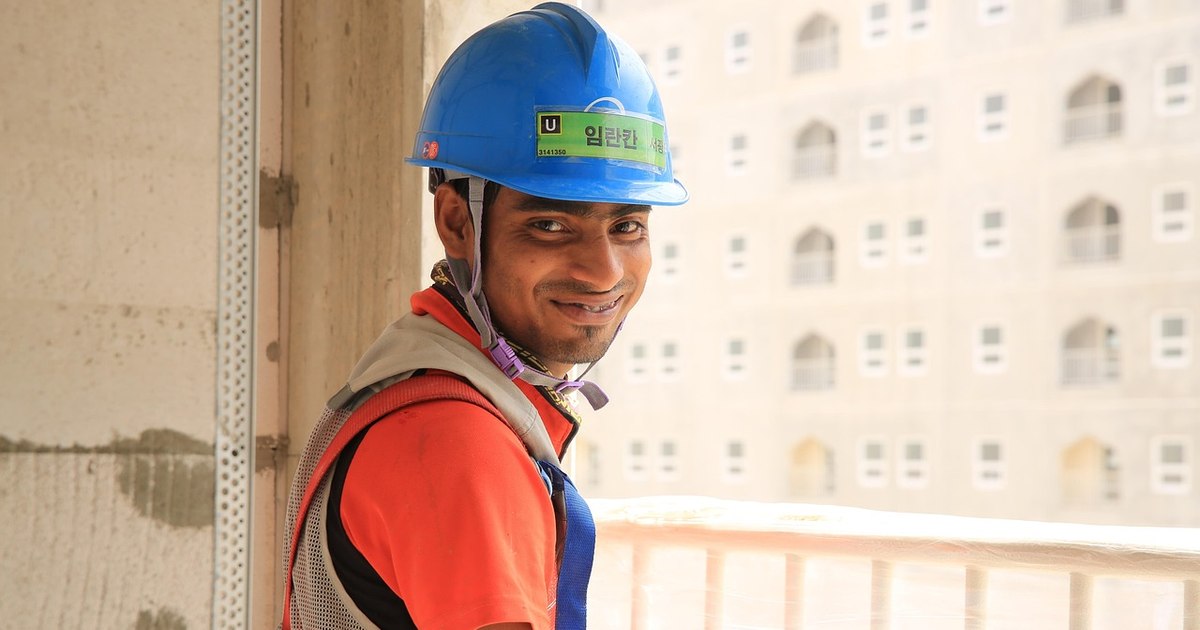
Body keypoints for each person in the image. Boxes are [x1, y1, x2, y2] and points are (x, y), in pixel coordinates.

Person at [280, 3, 687, 629]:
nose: (604, 272)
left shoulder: (414, 377)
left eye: (627, 226)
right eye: (550, 225)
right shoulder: (457, 442)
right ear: (457, 222)